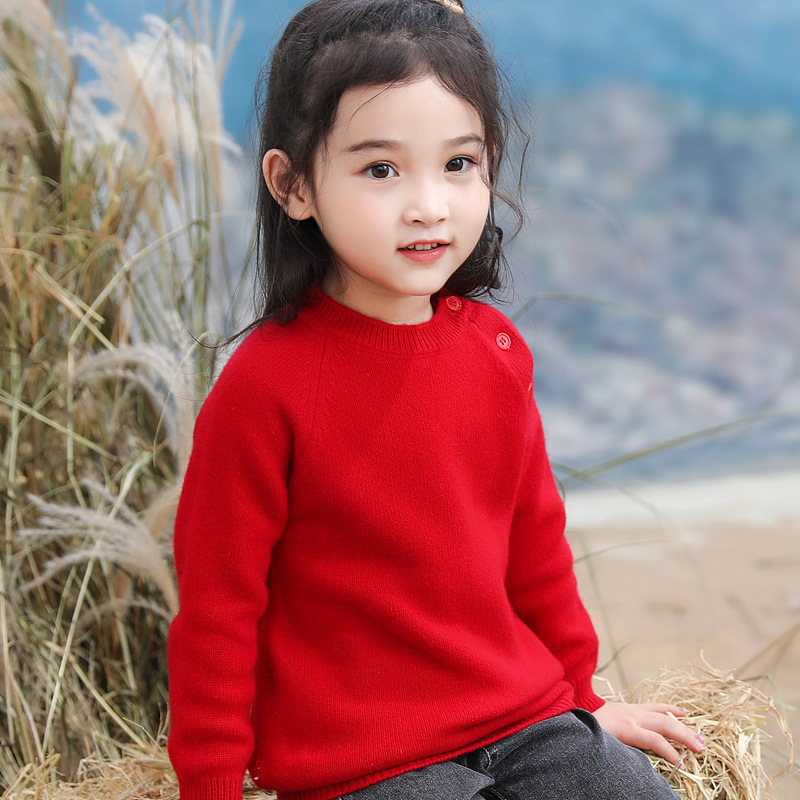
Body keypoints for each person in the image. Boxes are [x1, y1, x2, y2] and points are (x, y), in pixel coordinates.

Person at [167, 1, 705, 798]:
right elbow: (217, 613)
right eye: (381, 170)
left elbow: (535, 548)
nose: (429, 205)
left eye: (458, 163)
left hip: (520, 716)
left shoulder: (494, 352)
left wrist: (586, 702)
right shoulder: (263, 389)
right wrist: (208, 789)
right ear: (292, 184)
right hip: (362, 758)